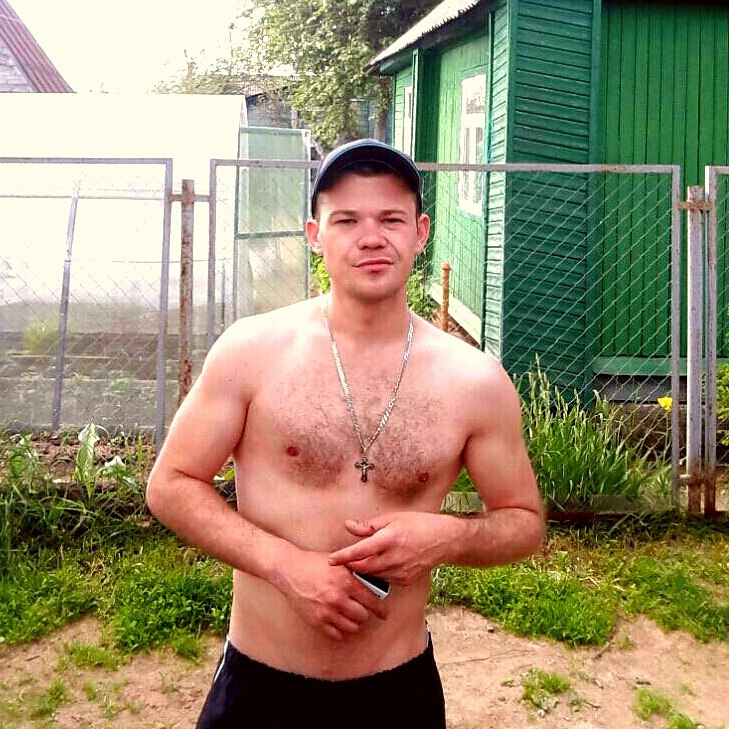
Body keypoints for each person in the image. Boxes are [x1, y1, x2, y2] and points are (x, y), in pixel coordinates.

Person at [146, 139, 545, 728]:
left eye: (391, 219)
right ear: (315, 235)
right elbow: (171, 485)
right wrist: (285, 566)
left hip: (397, 690)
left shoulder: (474, 381)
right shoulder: (251, 351)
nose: (371, 238)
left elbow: (524, 522)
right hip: (260, 684)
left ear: (421, 232)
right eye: (347, 220)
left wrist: (449, 537)